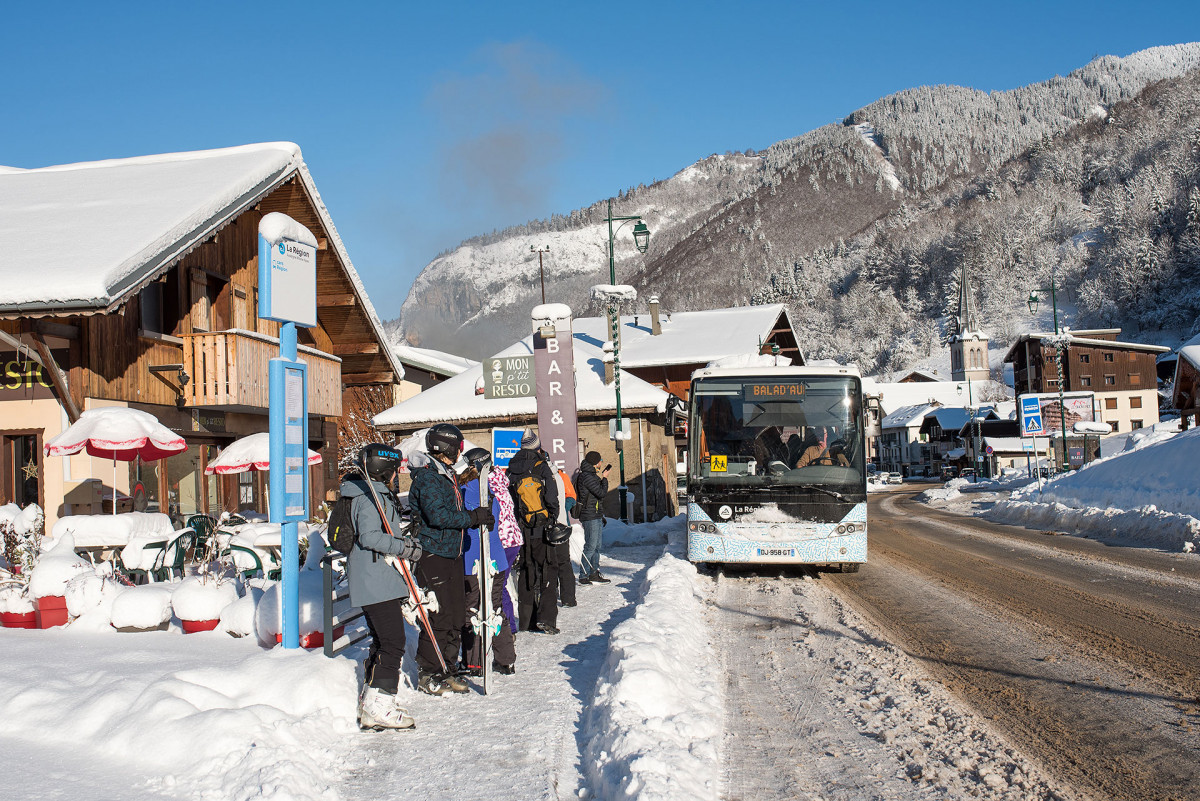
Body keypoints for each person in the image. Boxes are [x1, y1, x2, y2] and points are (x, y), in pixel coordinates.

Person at [341, 443, 424, 730]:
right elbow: (370, 537)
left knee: (383, 641)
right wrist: (405, 548)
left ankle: (373, 701)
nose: (396, 476)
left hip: (377, 577)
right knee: (392, 642)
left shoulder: (373, 494)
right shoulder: (368, 498)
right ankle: (379, 705)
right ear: (383, 469)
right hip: (374, 578)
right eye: (394, 471)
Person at [407, 423, 494, 695]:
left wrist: (478, 514)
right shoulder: (428, 478)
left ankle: (448, 667)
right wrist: (472, 517)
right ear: (447, 447)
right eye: (458, 447)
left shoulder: (445, 474)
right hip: (433, 554)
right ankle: (429, 672)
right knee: (440, 615)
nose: (459, 452)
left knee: (456, 615)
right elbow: (439, 516)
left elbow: (452, 509)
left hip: (452, 553)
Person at [458, 449, 517, 675]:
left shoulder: (463, 492)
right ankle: (506, 659)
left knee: (472, 609)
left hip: (472, 559)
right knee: (495, 608)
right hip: (497, 558)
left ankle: (474, 662)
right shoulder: (494, 489)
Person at [506, 429, 560, 634]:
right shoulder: (542, 466)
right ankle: (546, 619)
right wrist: (552, 517)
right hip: (542, 526)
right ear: (537, 447)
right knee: (548, 568)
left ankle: (526, 620)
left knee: (526, 571)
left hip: (521, 528)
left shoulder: (511, 469)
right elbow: (552, 497)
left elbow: (509, 500)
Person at [488, 465, 523, 636]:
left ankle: (507, 627)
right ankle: (509, 626)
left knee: (497, 585)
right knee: (500, 584)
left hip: (502, 540)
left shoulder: (489, 488)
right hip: (512, 539)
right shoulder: (501, 483)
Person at [574, 451, 611, 585]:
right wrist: (604, 478)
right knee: (590, 546)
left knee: (596, 546)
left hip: (594, 514)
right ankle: (583, 575)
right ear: (595, 463)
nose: (601, 462)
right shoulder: (587, 477)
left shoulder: (590, 475)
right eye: (600, 460)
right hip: (589, 515)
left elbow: (596, 498)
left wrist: (600, 515)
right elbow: (601, 493)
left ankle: (593, 573)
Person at [549, 463, 577, 608]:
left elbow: (571, 496)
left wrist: (563, 508)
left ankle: (566, 597)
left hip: (558, 525)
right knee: (560, 562)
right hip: (556, 525)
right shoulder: (552, 475)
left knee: (559, 562)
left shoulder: (561, 476)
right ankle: (562, 597)